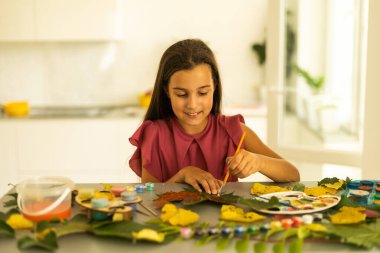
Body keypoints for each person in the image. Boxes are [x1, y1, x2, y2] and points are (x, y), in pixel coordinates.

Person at [129, 39, 300, 195]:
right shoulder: (154, 134)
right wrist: (182, 176)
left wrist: (259, 162)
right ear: (167, 90)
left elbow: (293, 175)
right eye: (182, 94)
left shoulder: (234, 131)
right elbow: (147, 198)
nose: (193, 104)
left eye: (202, 92)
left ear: (214, 87)